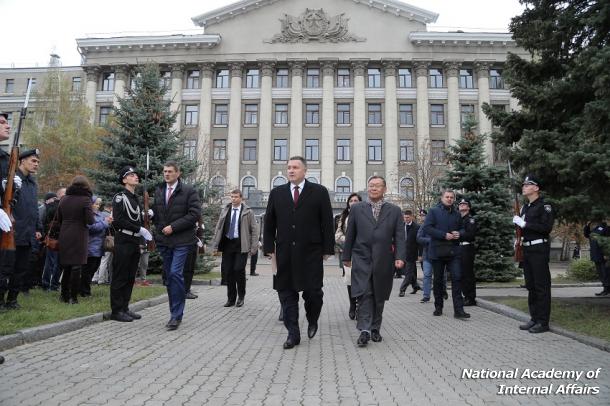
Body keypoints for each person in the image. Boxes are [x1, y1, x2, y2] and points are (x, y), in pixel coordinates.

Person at [263, 156, 334, 350]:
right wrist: (269, 247)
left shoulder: (319, 192)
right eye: (288, 168)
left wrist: (328, 248)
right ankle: (293, 333)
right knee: (286, 294)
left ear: (305, 171)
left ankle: (312, 319)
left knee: (313, 293)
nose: (291, 170)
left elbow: (327, 222)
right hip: (284, 252)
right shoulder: (277, 193)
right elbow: (269, 223)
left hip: (311, 252)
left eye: (295, 167)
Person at [342, 176, 406, 347]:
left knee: (379, 295)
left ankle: (375, 327)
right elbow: (351, 235)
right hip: (361, 257)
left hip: (384, 259)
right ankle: (364, 330)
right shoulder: (357, 209)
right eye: (371, 186)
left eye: (378, 186)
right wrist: (346, 257)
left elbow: (400, 236)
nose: (374, 188)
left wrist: (400, 257)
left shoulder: (394, 211)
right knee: (364, 293)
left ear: (384, 189)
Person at [152, 161, 200, 331]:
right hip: (165, 242)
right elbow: (156, 215)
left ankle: (176, 315)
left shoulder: (189, 191)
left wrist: (174, 227)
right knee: (169, 278)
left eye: (170, 171)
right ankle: (174, 312)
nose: (167, 174)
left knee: (175, 273)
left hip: (182, 241)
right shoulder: (159, 190)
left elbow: (194, 214)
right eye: (165, 171)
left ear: (178, 173)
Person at [0, 149, 42, 310]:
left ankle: (12, 300)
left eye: (37, 162)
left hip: (28, 234)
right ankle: (0, 301)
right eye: (33, 160)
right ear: (22, 161)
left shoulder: (32, 183)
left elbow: (34, 209)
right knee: (5, 269)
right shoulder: (12, 179)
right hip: (12, 231)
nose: (36, 164)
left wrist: (38, 227)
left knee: (20, 270)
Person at [110, 166, 153, 322]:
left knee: (130, 277)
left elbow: (137, 219)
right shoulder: (120, 198)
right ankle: (116, 310)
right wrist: (139, 228)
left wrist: (146, 220)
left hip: (134, 240)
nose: (136, 177)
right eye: (131, 175)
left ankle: (125, 307)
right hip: (124, 239)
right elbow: (119, 221)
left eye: (136, 175)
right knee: (120, 276)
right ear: (124, 180)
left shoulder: (135, 198)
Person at [513, 174, 554, 333]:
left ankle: (543, 322)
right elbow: (523, 230)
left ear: (536, 188)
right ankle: (534, 318)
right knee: (531, 286)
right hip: (527, 250)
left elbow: (545, 228)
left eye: (527, 184)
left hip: (539, 250)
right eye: (523, 184)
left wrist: (524, 223)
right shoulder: (525, 207)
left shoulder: (545, 206)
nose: (523, 186)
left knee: (541, 286)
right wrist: (518, 235)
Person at [423, 189, 470, 319]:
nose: (449, 199)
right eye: (447, 197)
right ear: (442, 198)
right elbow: (427, 228)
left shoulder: (456, 214)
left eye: (451, 197)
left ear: (454, 199)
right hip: (437, 251)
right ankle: (438, 307)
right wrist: (444, 235)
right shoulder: (433, 211)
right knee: (438, 281)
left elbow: (463, 229)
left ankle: (459, 310)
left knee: (457, 278)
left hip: (453, 251)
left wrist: (459, 233)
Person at [211, 189, 258, 308]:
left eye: (236, 197)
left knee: (238, 270)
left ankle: (241, 296)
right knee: (229, 272)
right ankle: (231, 299)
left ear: (241, 198)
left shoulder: (248, 212)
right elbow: (219, 227)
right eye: (232, 196)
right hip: (227, 245)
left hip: (241, 245)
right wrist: (215, 245)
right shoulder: (225, 210)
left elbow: (254, 230)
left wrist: (254, 247)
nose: (233, 199)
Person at [57, 176, 95, 304]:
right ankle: (74, 297)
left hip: (65, 233)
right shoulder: (86, 200)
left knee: (67, 266)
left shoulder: (64, 199)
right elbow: (90, 220)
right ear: (86, 186)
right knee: (76, 266)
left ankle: (64, 295)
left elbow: (59, 218)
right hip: (79, 233)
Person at [335, 192, 362, 320]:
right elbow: (337, 235)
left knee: (362, 280)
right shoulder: (344, 216)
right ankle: (352, 305)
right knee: (350, 280)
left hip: (363, 253)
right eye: (351, 201)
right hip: (349, 253)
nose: (353, 202)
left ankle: (360, 307)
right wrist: (348, 239)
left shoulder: (366, 215)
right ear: (348, 203)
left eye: (356, 200)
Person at [80, 196, 111, 297]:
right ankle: (84, 291)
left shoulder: (101, 215)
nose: (98, 206)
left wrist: (109, 222)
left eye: (99, 204)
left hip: (100, 246)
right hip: (90, 246)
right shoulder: (88, 215)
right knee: (88, 270)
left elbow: (104, 226)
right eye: (96, 203)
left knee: (94, 269)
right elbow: (92, 227)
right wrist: (105, 222)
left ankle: (84, 288)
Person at [458, 199, 478, 306]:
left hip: (467, 247)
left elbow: (471, 234)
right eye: (460, 204)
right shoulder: (458, 219)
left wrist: (459, 234)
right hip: (459, 248)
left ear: (468, 207)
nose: (462, 205)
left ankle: (471, 298)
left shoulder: (470, 220)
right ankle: (465, 295)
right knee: (460, 274)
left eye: (464, 204)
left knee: (468, 274)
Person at [399, 209, 422, 296]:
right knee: (409, 272)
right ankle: (415, 286)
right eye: (405, 217)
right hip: (402, 253)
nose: (406, 219)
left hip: (412, 254)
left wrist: (420, 254)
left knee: (408, 273)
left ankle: (402, 290)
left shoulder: (417, 227)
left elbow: (419, 242)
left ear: (411, 217)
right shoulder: (401, 226)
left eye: (408, 217)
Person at [584, 220, 609, 296]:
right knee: (601, 274)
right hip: (596, 255)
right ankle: (605, 289)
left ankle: (606, 290)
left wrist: (606, 253)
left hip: (603, 256)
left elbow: (607, 242)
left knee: (606, 274)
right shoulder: (596, 228)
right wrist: (587, 226)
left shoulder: (606, 228)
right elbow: (587, 235)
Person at [416, 210, 434, 303]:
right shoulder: (424, 226)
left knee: (441, 276)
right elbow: (418, 238)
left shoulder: (437, 224)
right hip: (427, 254)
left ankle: (442, 291)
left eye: (424, 215)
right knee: (427, 275)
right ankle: (426, 295)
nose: (422, 217)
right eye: (421, 215)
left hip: (438, 254)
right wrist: (430, 240)